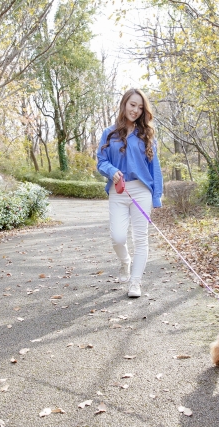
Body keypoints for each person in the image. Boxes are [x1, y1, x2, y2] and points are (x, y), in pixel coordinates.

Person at [96, 88, 163, 298]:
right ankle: (125, 262)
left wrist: (156, 196)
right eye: (132, 105)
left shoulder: (147, 135)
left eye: (140, 107)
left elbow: (155, 168)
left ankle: (135, 282)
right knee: (117, 237)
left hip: (141, 190)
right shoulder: (109, 133)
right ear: (124, 103)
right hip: (118, 190)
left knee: (141, 239)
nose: (135, 110)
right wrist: (111, 171)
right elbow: (101, 161)